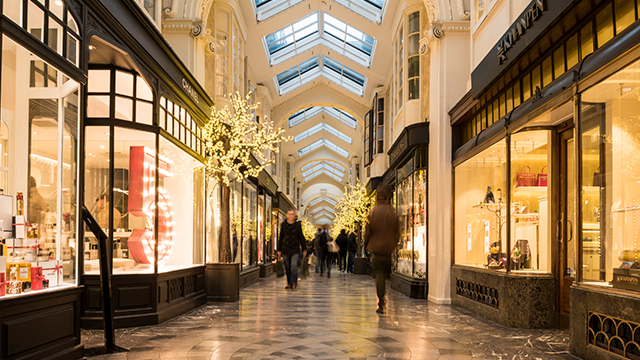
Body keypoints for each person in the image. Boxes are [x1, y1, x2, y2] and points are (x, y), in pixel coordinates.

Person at [365, 183, 400, 314]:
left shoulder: (373, 212)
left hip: (377, 250)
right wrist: (393, 244)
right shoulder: (393, 213)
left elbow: (368, 232)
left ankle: (381, 302)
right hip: (389, 249)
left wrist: (367, 245)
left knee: (379, 275)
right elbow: (397, 234)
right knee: (385, 274)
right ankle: (383, 299)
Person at [277, 208, 307, 290]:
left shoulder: (297, 225)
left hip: (294, 248)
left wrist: (304, 248)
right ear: (286, 215)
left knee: (294, 266)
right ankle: (289, 283)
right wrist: (279, 250)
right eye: (289, 214)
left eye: (292, 214)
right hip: (285, 248)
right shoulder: (283, 225)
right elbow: (281, 237)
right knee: (287, 266)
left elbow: (301, 237)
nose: (291, 216)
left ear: (295, 216)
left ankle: (294, 282)